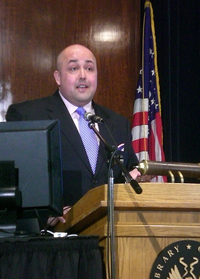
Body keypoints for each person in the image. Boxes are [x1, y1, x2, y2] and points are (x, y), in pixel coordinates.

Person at [6, 44, 143, 225]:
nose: (83, 75)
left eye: (89, 68)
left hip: (111, 233)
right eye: (73, 68)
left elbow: (127, 173)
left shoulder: (117, 123)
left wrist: (138, 176)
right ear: (58, 77)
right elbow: (14, 182)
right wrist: (43, 215)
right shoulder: (28, 115)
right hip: (55, 241)